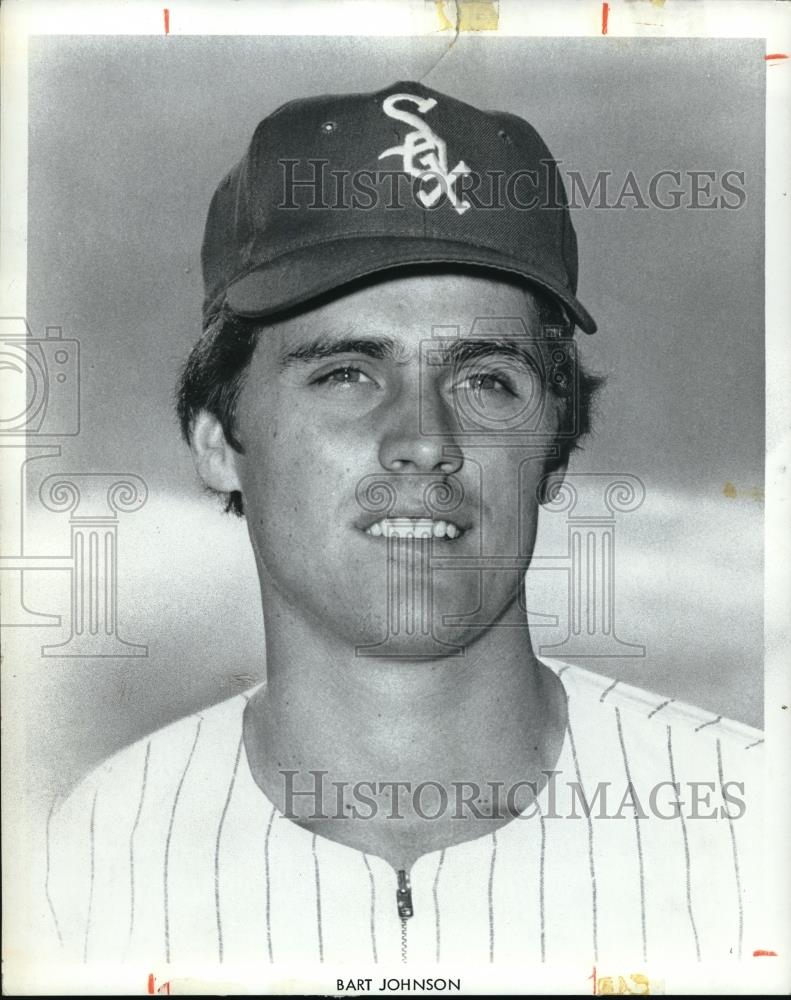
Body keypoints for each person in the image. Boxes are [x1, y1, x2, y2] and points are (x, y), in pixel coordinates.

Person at [40, 81, 763, 971]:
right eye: (345, 373)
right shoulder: (93, 859)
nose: (423, 440)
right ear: (220, 440)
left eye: (486, 380)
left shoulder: (758, 826)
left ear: (554, 447)